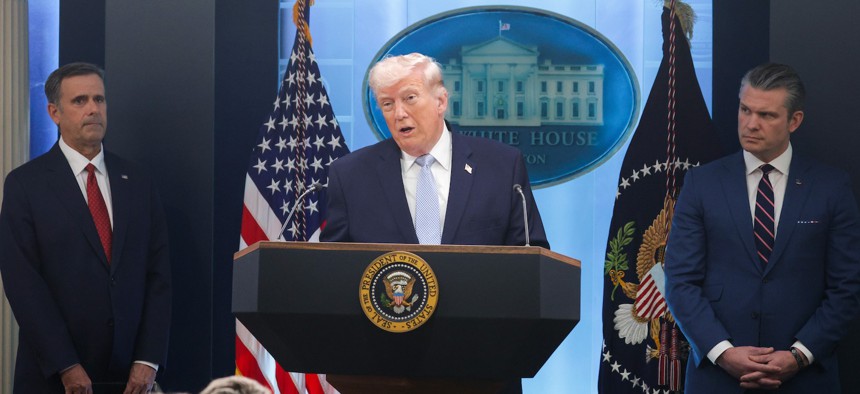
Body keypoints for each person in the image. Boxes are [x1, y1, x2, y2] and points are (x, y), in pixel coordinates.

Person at [665, 63, 860, 392]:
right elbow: (680, 281)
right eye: (744, 110)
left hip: (806, 379)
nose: (751, 124)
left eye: (766, 115)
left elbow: (847, 287)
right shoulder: (701, 183)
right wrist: (723, 353)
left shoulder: (831, 188)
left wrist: (799, 356)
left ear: (794, 120)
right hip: (718, 378)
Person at [0, 62, 172, 393]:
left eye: (99, 99)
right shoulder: (26, 185)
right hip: (53, 377)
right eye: (80, 101)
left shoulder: (138, 182)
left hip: (130, 379)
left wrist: (149, 359)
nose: (93, 109)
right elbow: (23, 284)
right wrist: (65, 364)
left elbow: (158, 276)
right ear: (54, 112)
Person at [320, 53, 548, 249]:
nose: (399, 113)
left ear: (440, 102)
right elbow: (334, 266)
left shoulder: (503, 167)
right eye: (388, 104)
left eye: (410, 98)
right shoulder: (350, 175)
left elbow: (532, 256)